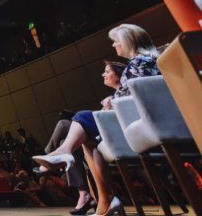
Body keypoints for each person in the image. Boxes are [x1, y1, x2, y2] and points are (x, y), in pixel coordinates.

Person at [33, 23, 160, 216]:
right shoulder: (144, 61)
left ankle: (64, 154)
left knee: (81, 118)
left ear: (128, 41)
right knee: (84, 136)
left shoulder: (139, 62)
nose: (114, 45)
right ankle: (104, 200)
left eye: (116, 41)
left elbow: (139, 98)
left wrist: (113, 101)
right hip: (134, 123)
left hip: (137, 125)